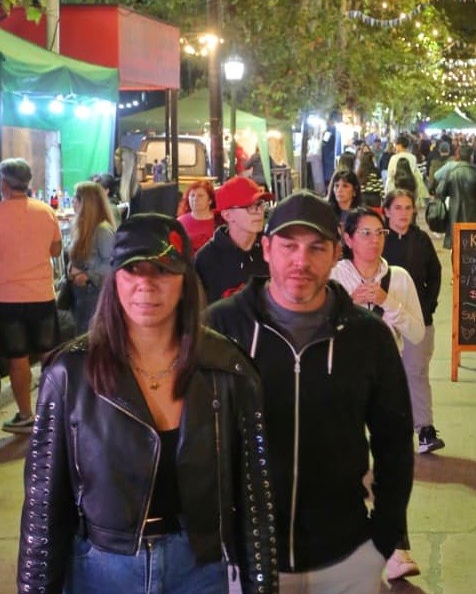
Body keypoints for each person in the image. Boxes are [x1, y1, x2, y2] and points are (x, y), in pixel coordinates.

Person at [17, 213, 277, 593]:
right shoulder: (70, 375)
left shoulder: (229, 369)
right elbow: (43, 510)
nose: (145, 284)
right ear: (114, 278)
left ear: (185, 279)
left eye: (162, 270)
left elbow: (256, 505)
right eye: (132, 269)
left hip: (200, 571)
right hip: (101, 571)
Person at [207, 191, 414, 593]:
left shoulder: (368, 337)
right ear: (267, 249)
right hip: (247, 561)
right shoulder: (221, 328)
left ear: (337, 253)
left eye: (316, 248)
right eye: (289, 246)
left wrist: (383, 540)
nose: (301, 261)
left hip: (346, 556)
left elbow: (394, 443)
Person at [330, 206, 425, 582]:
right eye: (365, 233)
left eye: (379, 232)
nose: (374, 240)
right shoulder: (335, 276)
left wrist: (388, 302)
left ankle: (396, 547)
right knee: (347, 459)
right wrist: (348, 306)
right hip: (342, 376)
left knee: (393, 459)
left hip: (388, 377)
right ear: (348, 238)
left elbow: (417, 333)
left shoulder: (398, 277)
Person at [0, 158, 62, 434]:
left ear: (4, 184)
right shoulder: (46, 211)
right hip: (42, 295)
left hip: (8, 297)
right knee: (49, 354)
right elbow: (56, 250)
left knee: (18, 356)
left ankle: (26, 414)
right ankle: (53, 412)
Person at [382, 189, 445, 455]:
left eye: (408, 208)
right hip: (383, 321)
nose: (403, 214)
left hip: (418, 321)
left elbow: (435, 274)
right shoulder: (378, 241)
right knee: (384, 378)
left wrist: (427, 307)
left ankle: (425, 429)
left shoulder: (421, 241)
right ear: (386, 211)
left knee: (416, 373)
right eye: (397, 208)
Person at [195, 176, 271, 304]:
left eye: (260, 204)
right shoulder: (205, 259)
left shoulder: (272, 250)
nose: (259, 212)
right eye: (250, 207)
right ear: (228, 215)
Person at [66, 181, 117, 335]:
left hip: (93, 293)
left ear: (87, 203)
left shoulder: (102, 230)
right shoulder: (83, 227)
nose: (73, 201)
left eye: (76, 198)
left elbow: (112, 263)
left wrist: (87, 276)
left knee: (89, 336)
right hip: (80, 292)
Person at [436, 145, 476, 249]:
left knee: (455, 245)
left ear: (458, 156)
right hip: (473, 213)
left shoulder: (451, 172)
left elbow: (440, 192)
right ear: (471, 157)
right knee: (471, 244)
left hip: (453, 212)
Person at [176, 179, 217, 254]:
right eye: (192, 195)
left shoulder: (219, 221)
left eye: (200, 196)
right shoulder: (180, 222)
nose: (195, 199)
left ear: (210, 200)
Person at [385, 134, 428, 201]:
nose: (395, 147)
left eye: (396, 145)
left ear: (399, 145)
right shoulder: (412, 157)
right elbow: (415, 172)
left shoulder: (394, 158)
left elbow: (390, 174)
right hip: (410, 186)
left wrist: (387, 190)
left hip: (396, 186)